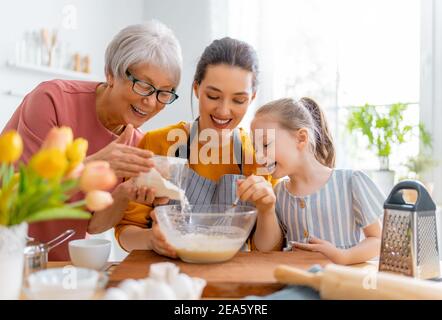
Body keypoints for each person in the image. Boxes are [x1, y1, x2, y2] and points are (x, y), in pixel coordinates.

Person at [1, 20, 183, 260]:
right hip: (8, 249)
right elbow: (25, 190)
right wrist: (97, 163)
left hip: (60, 264)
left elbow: (94, 226)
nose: (151, 102)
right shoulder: (52, 100)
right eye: (143, 86)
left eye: (164, 92)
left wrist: (124, 194)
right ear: (111, 73)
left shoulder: (137, 144)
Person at [115, 37, 277, 257]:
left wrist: (267, 210)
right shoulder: (158, 143)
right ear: (196, 87)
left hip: (231, 279)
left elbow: (268, 249)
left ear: (252, 98)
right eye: (213, 96)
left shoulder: (261, 155)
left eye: (238, 100)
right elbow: (126, 231)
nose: (223, 111)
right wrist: (151, 240)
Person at [240, 97, 385, 265]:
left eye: (265, 145)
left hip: (341, 283)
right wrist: (266, 210)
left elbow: (377, 239)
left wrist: (343, 256)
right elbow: (267, 250)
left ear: (301, 138)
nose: (258, 157)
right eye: (256, 148)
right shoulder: (279, 193)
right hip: (297, 281)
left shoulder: (350, 182)